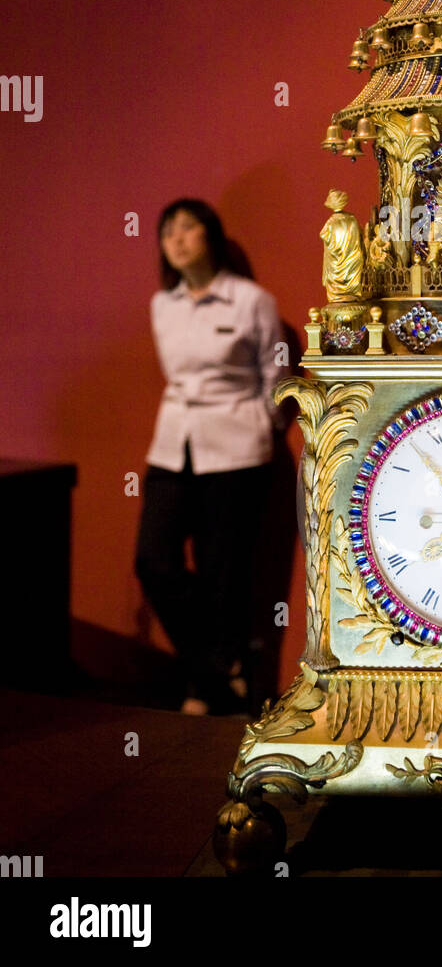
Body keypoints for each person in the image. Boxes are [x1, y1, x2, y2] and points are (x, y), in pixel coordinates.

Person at [135, 199, 287, 715]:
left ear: (211, 235)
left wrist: (265, 426)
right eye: (166, 232)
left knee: (225, 569)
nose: (175, 240)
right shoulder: (163, 305)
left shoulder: (251, 300)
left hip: (237, 448)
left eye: (186, 228)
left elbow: (277, 375)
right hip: (173, 444)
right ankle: (225, 664)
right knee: (153, 561)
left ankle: (210, 688)